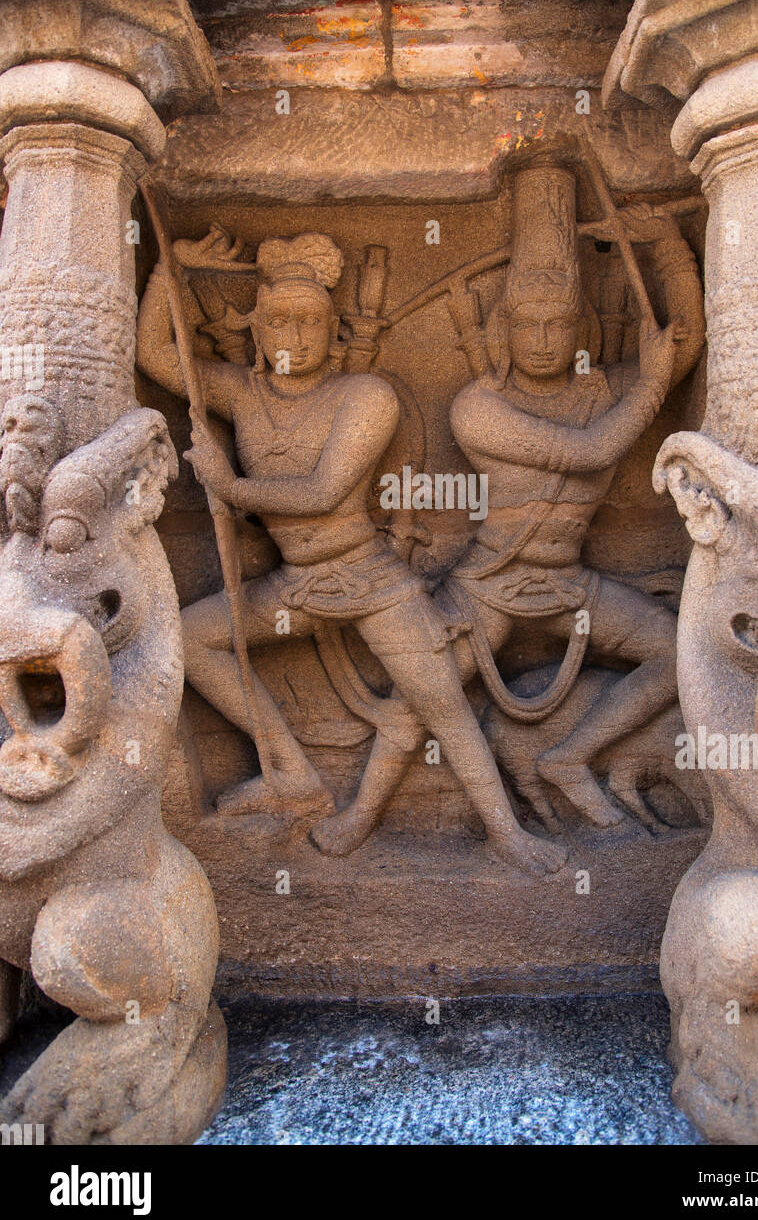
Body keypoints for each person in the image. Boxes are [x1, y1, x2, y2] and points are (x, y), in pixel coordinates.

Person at [137, 226, 567, 875]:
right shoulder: (239, 391)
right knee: (190, 639)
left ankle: (508, 834)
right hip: (293, 585)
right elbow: (153, 353)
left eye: (312, 322)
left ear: (335, 332)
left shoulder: (366, 396)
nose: (296, 336)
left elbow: (323, 489)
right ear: (256, 332)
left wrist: (230, 486)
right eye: (279, 321)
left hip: (366, 577)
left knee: (442, 704)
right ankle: (289, 773)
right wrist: (172, 268)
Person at [312, 204, 704, 854]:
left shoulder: (597, 389)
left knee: (674, 653)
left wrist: (666, 245)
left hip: (569, 583)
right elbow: (587, 453)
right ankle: (361, 815)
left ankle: (569, 757)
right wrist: (650, 387)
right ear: (505, 329)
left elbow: (683, 341)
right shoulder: (479, 407)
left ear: (577, 326)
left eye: (557, 325)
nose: (544, 339)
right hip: (491, 583)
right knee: (422, 695)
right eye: (528, 325)